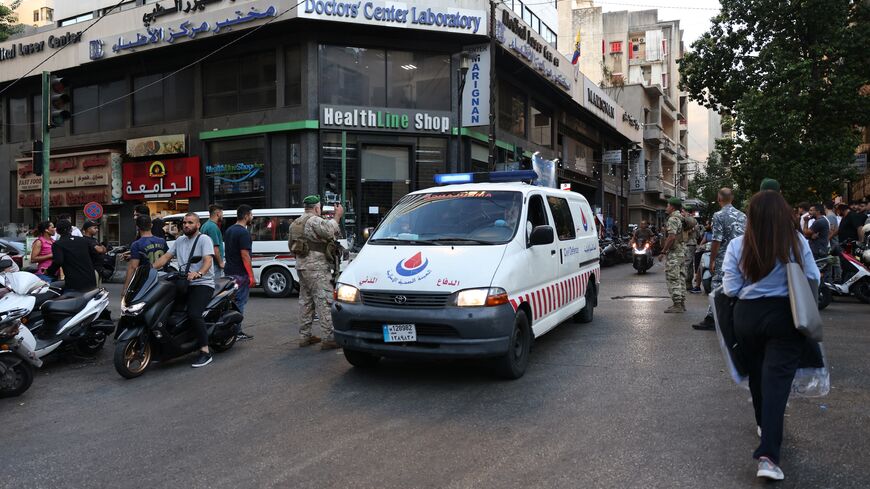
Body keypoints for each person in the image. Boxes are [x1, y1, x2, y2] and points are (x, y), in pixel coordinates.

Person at [722, 190, 820, 481]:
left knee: (757, 374)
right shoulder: (796, 242)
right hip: (785, 316)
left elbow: (729, 288)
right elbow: (814, 278)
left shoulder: (738, 245)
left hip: (747, 317)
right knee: (777, 382)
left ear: (751, 217)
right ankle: (768, 456)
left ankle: (765, 426)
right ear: (783, 214)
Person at [152, 213, 216, 368]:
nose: (186, 225)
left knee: (194, 313)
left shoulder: (204, 239)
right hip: (183, 283)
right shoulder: (180, 240)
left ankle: (205, 351)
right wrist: (149, 269)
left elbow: (208, 260)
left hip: (202, 283)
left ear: (198, 224)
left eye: (190, 222)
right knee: (164, 309)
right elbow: (166, 257)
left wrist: (198, 273)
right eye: (185, 222)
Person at [291, 195, 343, 349]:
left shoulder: (295, 223)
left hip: (302, 265)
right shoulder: (314, 220)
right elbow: (329, 231)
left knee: (305, 301)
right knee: (324, 301)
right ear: (316, 208)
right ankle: (329, 337)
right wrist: (337, 216)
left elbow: (291, 245)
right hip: (317, 267)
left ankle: (304, 336)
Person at [693, 188, 746, 330]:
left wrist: (712, 260)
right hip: (741, 255)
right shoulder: (742, 215)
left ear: (719, 199)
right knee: (738, 284)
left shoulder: (718, 215)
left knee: (717, 284)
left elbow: (716, 239)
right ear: (732, 198)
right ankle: (735, 316)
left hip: (725, 256)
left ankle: (711, 318)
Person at [223, 204, 256, 341]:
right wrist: (251, 276)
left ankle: (232, 331)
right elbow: (245, 256)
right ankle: (236, 332)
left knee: (232, 302)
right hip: (240, 274)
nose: (252, 217)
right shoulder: (243, 232)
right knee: (240, 302)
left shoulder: (230, 230)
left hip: (229, 271)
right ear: (246, 215)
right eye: (251, 215)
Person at [45, 220, 98, 292]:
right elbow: (95, 255)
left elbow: (58, 261)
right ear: (71, 229)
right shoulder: (83, 240)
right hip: (90, 279)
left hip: (74, 282)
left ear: (57, 231)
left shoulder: (58, 244)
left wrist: (49, 272)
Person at [123, 215, 168, 295]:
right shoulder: (162, 241)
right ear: (151, 225)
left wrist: (126, 288)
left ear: (137, 227)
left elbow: (133, 267)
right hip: (162, 278)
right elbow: (166, 257)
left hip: (146, 279)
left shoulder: (137, 244)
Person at [658, 198, 686, 313]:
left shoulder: (673, 219)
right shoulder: (681, 217)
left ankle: (677, 304)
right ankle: (682, 303)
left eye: (668, 205)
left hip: (674, 253)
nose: (666, 207)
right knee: (681, 277)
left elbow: (671, 236)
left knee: (673, 277)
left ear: (672, 207)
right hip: (681, 251)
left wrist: (663, 251)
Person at [200, 204, 225, 278]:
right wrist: (220, 263)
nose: (222, 216)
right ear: (218, 214)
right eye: (222, 214)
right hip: (214, 265)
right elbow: (215, 248)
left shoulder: (205, 225)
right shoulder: (213, 227)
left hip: (207, 263)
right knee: (216, 286)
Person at [81, 220, 107, 286]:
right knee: (93, 290)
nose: (97, 230)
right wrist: (101, 247)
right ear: (88, 229)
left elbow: (104, 250)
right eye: (95, 228)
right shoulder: (85, 240)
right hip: (92, 270)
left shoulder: (94, 240)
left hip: (99, 269)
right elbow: (100, 250)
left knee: (98, 289)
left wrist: (101, 248)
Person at [682, 206, 699, 292]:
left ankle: (687, 284)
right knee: (688, 264)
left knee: (687, 264)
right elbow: (699, 234)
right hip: (690, 244)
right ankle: (688, 284)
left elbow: (688, 231)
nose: (682, 213)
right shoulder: (694, 221)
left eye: (683, 211)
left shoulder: (689, 220)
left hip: (689, 244)